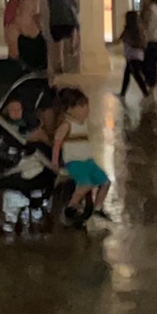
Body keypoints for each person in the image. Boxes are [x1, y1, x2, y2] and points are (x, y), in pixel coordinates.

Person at [52, 87, 112, 224]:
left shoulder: (83, 124)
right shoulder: (67, 125)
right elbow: (57, 143)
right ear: (70, 109)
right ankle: (72, 205)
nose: (86, 109)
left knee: (105, 181)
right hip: (75, 162)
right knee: (86, 183)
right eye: (82, 106)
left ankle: (98, 207)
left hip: (88, 161)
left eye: (86, 106)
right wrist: (55, 162)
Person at [116, 9, 152, 103]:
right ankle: (123, 93)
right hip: (134, 55)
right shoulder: (135, 29)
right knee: (128, 73)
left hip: (134, 55)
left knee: (136, 75)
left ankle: (146, 93)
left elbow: (134, 42)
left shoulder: (132, 30)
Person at [11, 0, 46, 72]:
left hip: (41, 72)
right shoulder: (14, 26)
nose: (35, 2)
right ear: (22, 2)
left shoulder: (38, 21)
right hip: (24, 74)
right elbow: (14, 56)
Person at [46, 0, 80, 75]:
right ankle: (73, 47)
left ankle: (60, 64)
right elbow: (72, 8)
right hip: (67, 23)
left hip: (55, 25)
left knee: (59, 47)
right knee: (74, 30)